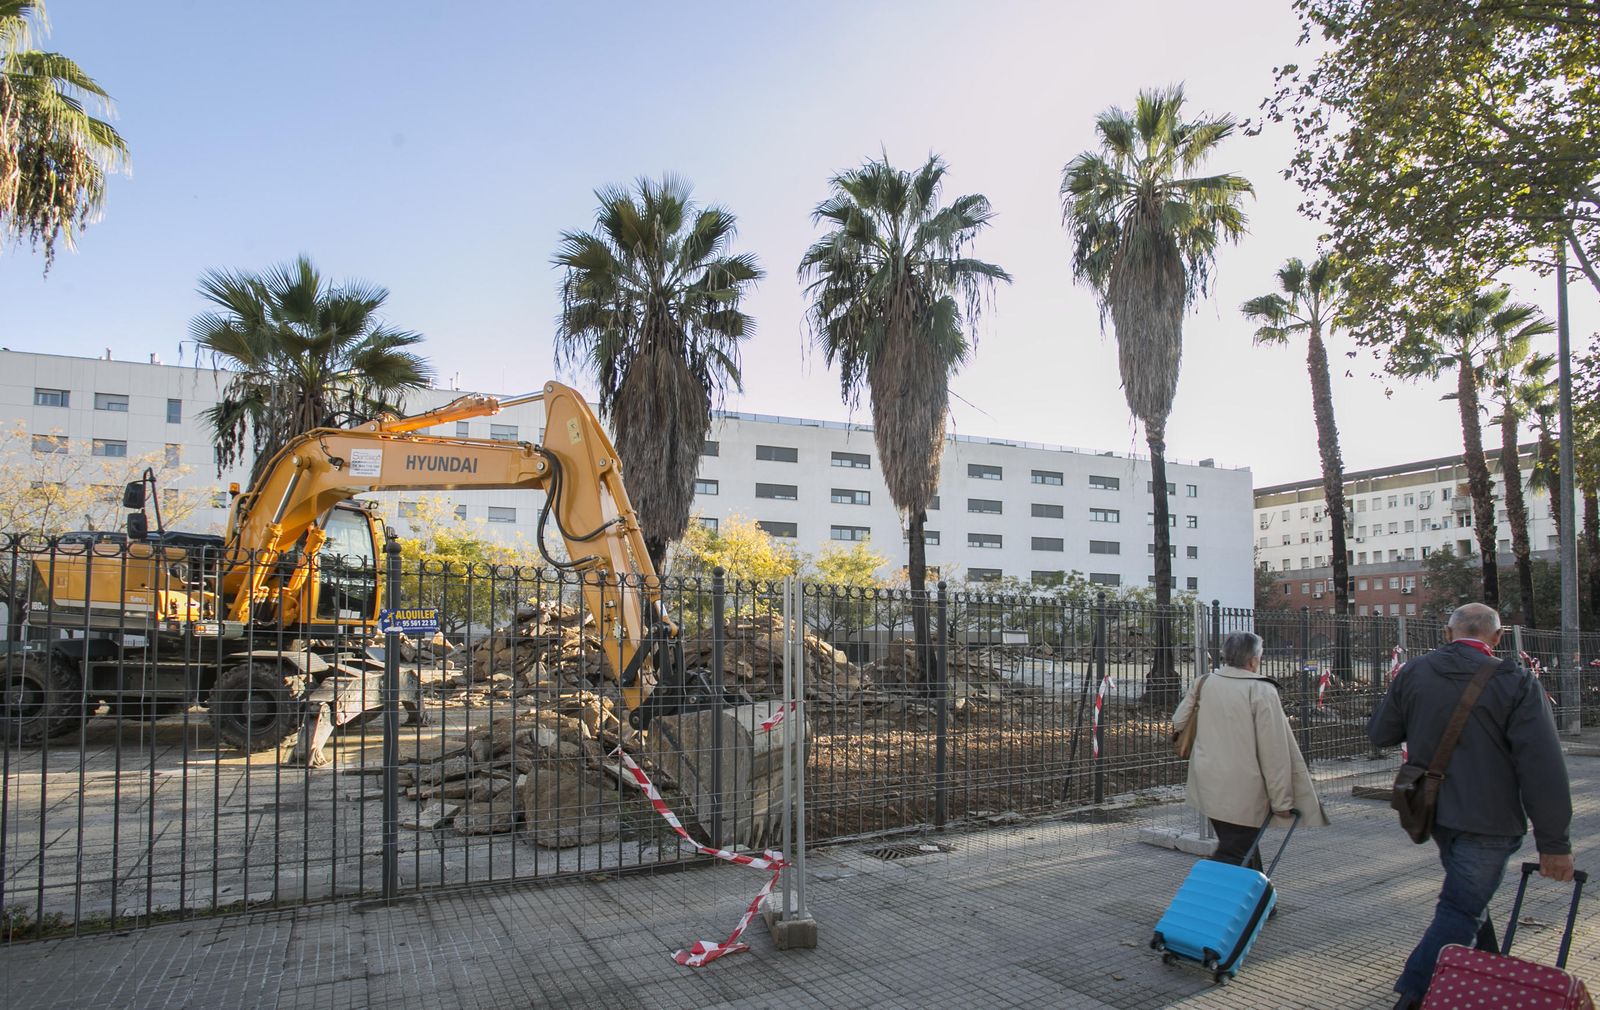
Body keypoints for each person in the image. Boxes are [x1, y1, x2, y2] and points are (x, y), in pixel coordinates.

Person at [1367, 602, 1575, 1010]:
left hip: (1433, 810)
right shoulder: (1515, 681)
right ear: (1497, 638)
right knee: (1461, 908)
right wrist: (1555, 843)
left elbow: (1381, 733)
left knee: (1467, 899)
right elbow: (1543, 767)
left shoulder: (1415, 671)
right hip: (1490, 821)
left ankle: (1486, 973)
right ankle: (1414, 995)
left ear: (1448, 634)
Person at [1172, 630, 1329, 874]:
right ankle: (1205, 899)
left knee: (1241, 845)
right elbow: (1274, 752)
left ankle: (1262, 902)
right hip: (1243, 789)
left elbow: (1179, 721)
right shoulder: (1261, 691)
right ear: (1253, 660)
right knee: (1234, 851)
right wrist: (1281, 801)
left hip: (1207, 780)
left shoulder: (1205, 682)